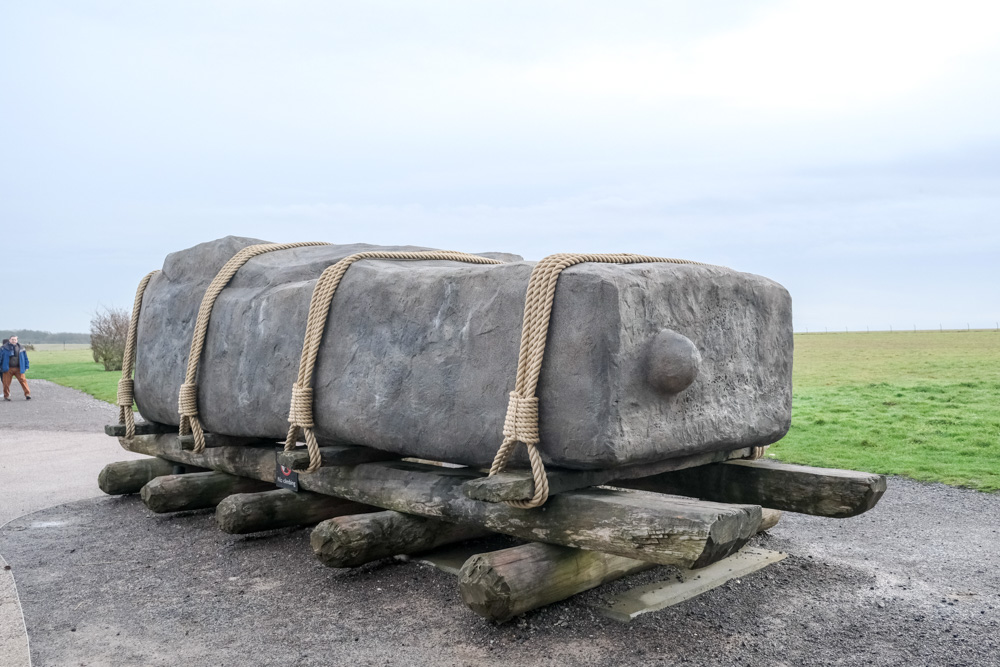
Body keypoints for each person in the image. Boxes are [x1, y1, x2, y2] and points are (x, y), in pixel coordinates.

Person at [1, 335, 31, 401]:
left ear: (17, 340)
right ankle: (6, 396)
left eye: (15, 339)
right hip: (7, 368)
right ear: (9, 340)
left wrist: (26, 366)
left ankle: (27, 394)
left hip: (19, 368)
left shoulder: (21, 348)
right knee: (6, 383)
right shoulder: (3, 348)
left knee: (23, 381)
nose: (13, 341)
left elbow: (25, 358)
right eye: (12, 339)